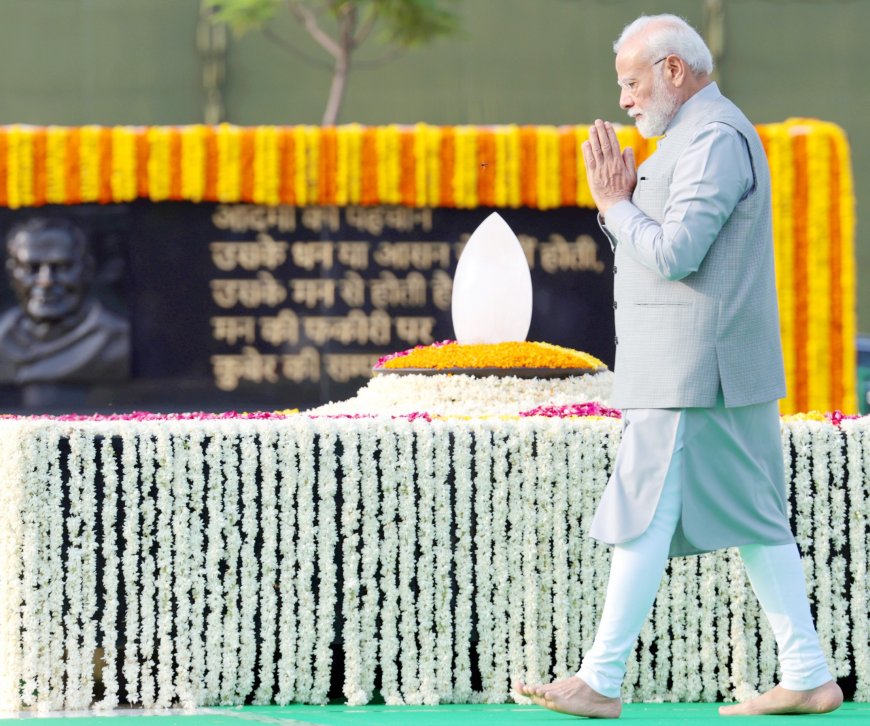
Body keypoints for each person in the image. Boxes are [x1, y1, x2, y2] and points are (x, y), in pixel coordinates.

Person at [514, 14, 843, 718]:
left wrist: (613, 203)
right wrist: (627, 203)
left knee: (644, 512)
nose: (626, 101)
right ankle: (808, 672)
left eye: (632, 84)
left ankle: (600, 679)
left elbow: (675, 253)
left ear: (673, 71)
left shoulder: (713, 139)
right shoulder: (700, 138)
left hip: (692, 372)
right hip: (708, 370)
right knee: (756, 519)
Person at [0, 217, 130, 385]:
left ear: (87, 269)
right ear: (12, 272)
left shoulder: (117, 342)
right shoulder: (4, 336)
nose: (45, 281)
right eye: (31, 268)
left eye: (62, 267)